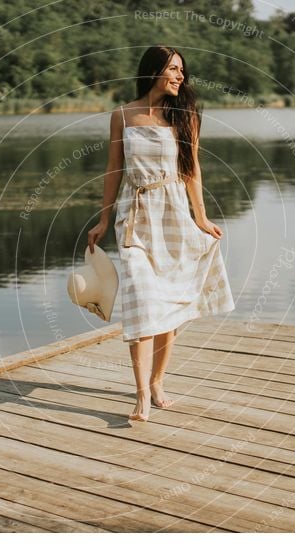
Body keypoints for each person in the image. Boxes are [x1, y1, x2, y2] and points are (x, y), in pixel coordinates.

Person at [87, 46, 235, 422]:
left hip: (173, 217)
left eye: (182, 70)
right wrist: (104, 221)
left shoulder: (185, 115)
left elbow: (192, 170)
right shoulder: (122, 114)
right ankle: (139, 396)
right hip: (135, 217)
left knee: (167, 306)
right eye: (173, 69)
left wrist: (200, 218)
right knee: (141, 300)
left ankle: (157, 381)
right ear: (154, 71)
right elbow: (113, 171)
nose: (180, 76)